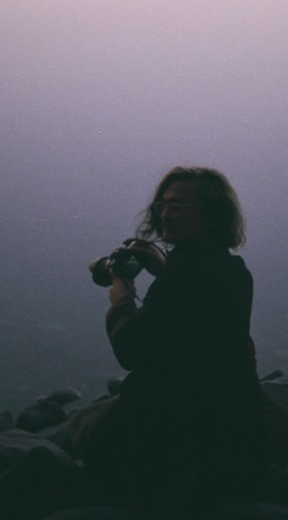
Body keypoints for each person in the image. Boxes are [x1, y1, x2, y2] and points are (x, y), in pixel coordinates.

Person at [84, 166, 269, 514]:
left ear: (213, 214)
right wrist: (164, 270)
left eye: (181, 206)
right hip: (238, 425)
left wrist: (121, 298)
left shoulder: (178, 281)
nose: (167, 214)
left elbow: (130, 351)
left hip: (179, 434)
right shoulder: (235, 270)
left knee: (93, 438)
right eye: (164, 205)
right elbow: (200, 311)